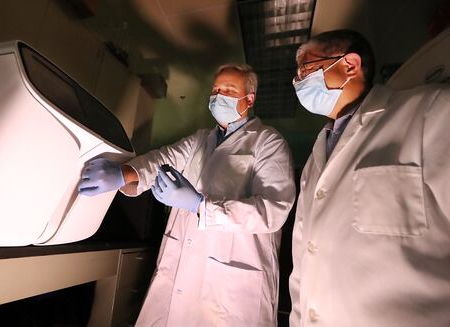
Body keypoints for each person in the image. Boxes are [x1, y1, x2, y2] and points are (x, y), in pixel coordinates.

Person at [78, 63, 296, 326]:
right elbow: (163, 158)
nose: (218, 96)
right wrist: (123, 174)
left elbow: (272, 211)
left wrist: (201, 206)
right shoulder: (200, 139)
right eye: (215, 90)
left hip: (232, 283)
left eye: (228, 90)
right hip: (182, 268)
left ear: (249, 99)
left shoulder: (268, 142)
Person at [289, 29, 450, 327]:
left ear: (350, 64)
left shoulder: (430, 112)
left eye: (307, 70)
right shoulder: (316, 156)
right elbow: (303, 259)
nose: (298, 83)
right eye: (298, 77)